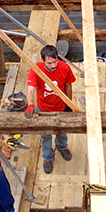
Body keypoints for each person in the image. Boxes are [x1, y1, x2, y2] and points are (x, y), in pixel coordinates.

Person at [25, 44, 76, 174]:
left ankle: (62, 147)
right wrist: (30, 104)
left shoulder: (65, 67)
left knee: (61, 131)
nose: (53, 65)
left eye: (55, 61)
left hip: (60, 107)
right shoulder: (36, 70)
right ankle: (48, 157)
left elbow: (68, 85)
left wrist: (69, 104)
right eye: (49, 63)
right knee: (45, 135)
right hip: (43, 109)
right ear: (43, 61)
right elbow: (30, 89)